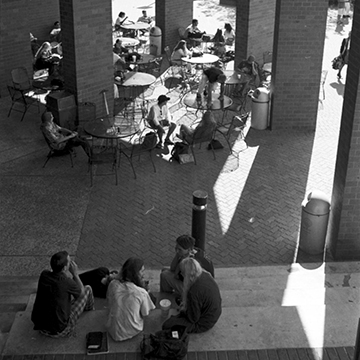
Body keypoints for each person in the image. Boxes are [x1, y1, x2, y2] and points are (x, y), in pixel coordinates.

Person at [31, 251, 95, 337]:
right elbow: (81, 294)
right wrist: (75, 274)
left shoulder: (44, 274)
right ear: (65, 268)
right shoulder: (66, 281)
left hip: (41, 326)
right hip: (60, 329)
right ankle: (90, 311)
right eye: (69, 262)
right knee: (87, 289)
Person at [162, 257, 221, 334]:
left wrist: (183, 311)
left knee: (167, 324)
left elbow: (193, 319)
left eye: (182, 273)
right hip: (212, 314)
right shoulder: (204, 275)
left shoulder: (193, 291)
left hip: (203, 323)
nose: (181, 275)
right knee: (179, 301)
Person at [106, 257, 155, 341]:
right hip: (132, 330)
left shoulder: (113, 284)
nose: (144, 274)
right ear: (136, 275)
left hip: (112, 329)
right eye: (142, 271)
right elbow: (145, 313)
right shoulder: (141, 292)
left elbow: (109, 302)